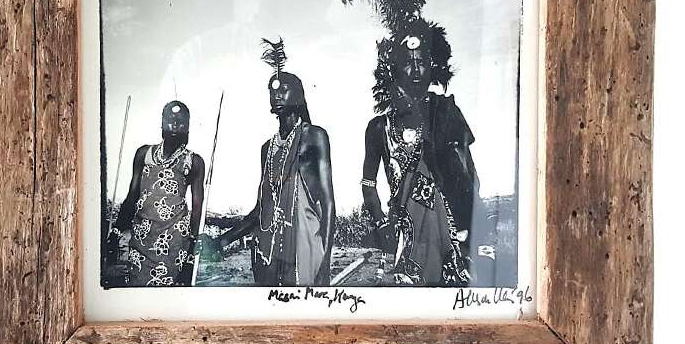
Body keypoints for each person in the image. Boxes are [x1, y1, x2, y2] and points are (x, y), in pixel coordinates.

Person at [360, 19, 487, 286]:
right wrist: (381, 224)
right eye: (408, 62)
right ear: (395, 68)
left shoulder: (446, 113)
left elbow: (469, 174)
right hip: (403, 233)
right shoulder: (379, 127)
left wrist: (471, 225)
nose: (416, 69)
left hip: (451, 233)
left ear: (432, 66)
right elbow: (368, 184)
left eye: (422, 61)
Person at [212, 38, 336, 286]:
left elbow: (328, 202)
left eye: (283, 89)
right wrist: (221, 241)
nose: (276, 94)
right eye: (272, 90)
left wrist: (325, 262)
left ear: (298, 96)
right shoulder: (267, 149)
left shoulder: (314, 137)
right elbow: (262, 210)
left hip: (303, 249)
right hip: (266, 255)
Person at [111, 101, 205, 287]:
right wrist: (116, 231)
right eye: (170, 119)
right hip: (142, 238)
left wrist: (190, 257)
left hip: (174, 240)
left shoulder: (193, 162)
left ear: (188, 127)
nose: (175, 125)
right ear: (161, 123)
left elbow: (197, 210)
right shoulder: (143, 154)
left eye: (181, 121)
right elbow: (132, 196)